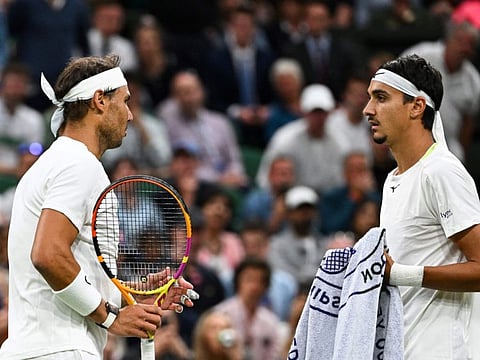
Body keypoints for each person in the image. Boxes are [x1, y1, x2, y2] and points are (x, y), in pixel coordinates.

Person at [0, 55, 195, 359]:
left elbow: (72, 270)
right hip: (60, 351)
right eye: (125, 100)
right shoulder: (78, 164)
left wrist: (137, 295)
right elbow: (48, 255)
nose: (130, 115)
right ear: (100, 101)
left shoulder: (51, 164)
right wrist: (112, 318)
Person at [364, 54, 480, 358]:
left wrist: (399, 273)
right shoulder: (392, 180)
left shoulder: (441, 171)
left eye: (381, 98)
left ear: (416, 106)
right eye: (369, 98)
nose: (368, 110)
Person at [401, 16, 480, 163]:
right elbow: (394, 81)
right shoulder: (421, 55)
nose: (464, 48)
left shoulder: (473, 81)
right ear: (448, 40)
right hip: (408, 134)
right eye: (460, 41)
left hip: (447, 147)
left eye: (469, 44)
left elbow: (468, 126)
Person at [214, 257, 284, 360]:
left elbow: (275, 355)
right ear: (238, 281)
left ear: (266, 286)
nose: (254, 286)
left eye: (260, 281)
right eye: (249, 279)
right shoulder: (220, 315)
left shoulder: (270, 321)